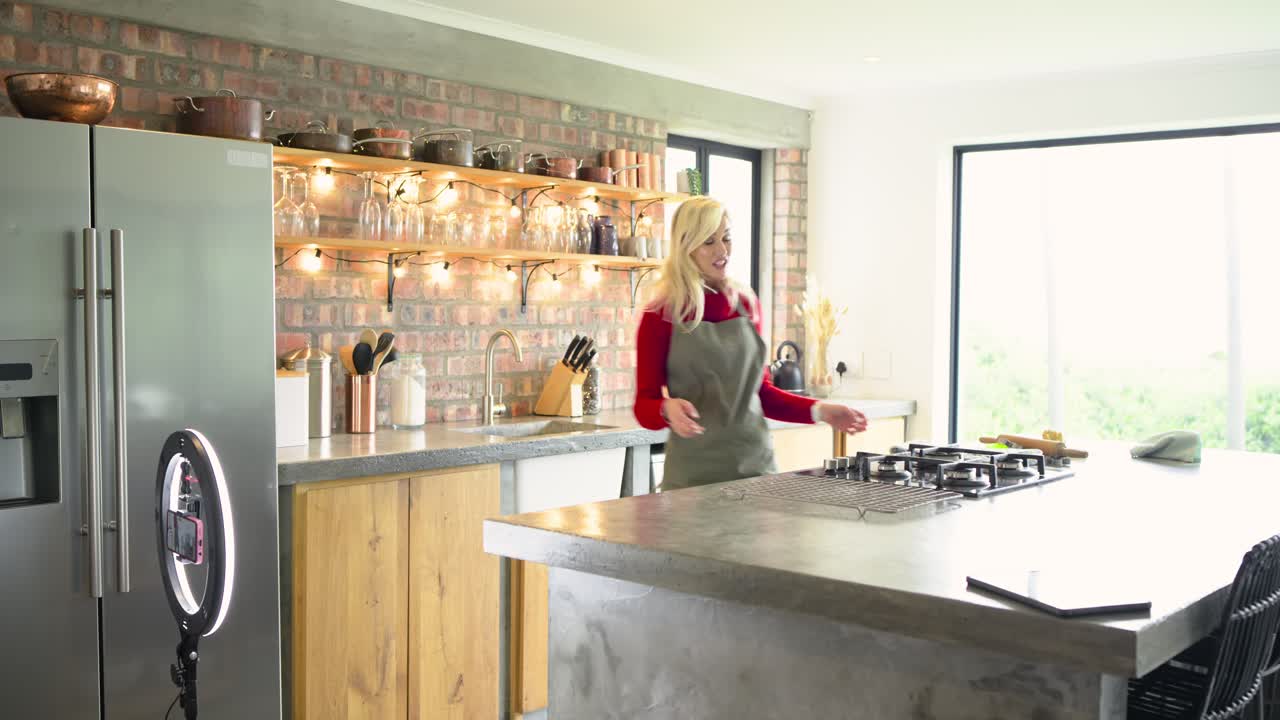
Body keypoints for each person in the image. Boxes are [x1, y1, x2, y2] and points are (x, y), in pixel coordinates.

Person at [634, 196, 867, 490]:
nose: (722, 250)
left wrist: (821, 410)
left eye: (726, 238)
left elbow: (762, 394)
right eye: (709, 241)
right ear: (686, 246)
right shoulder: (661, 315)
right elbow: (644, 404)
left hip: (757, 470)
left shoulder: (745, 303)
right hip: (691, 479)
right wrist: (666, 408)